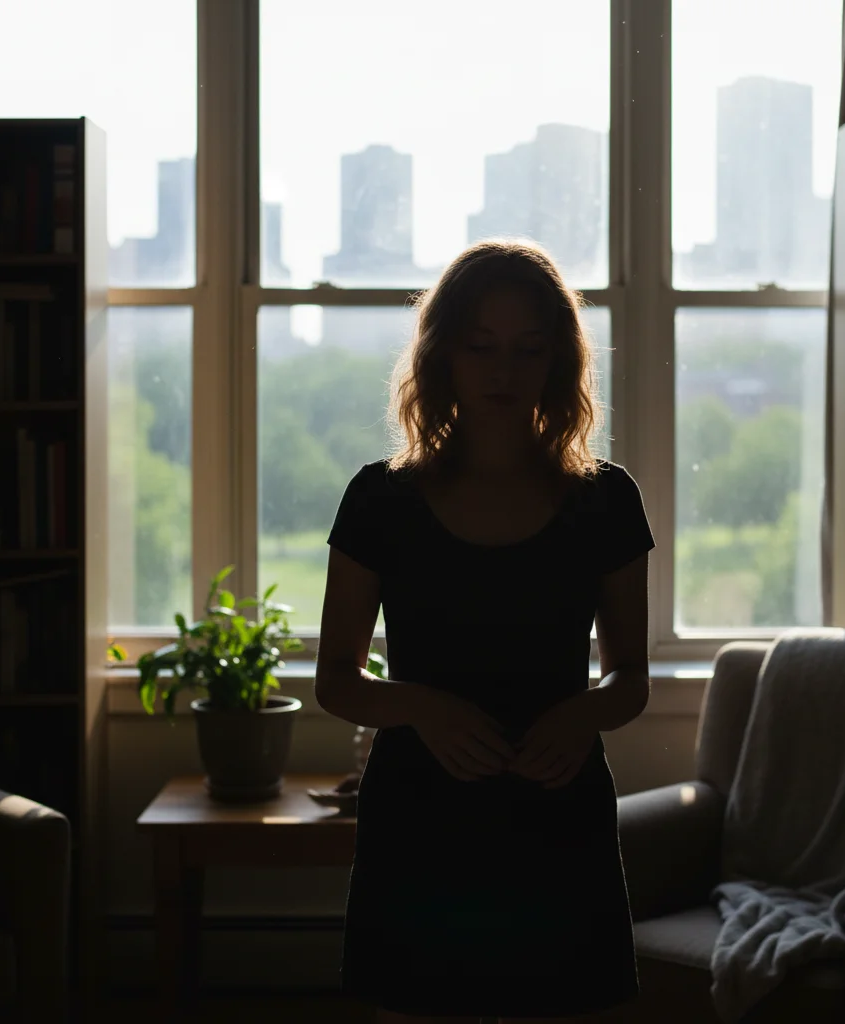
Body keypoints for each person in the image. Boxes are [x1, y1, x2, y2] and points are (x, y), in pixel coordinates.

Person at [316, 238, 655, 1024]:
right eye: (482, 348)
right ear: (443, 356)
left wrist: (584, 712)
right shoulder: (379, 501)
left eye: (528, 350)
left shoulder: (606, 502)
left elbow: (630, 678)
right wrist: (420, 708)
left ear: (558, 362)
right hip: (421, 820)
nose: (504, 371)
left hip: (556, 812)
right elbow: (336, 679)